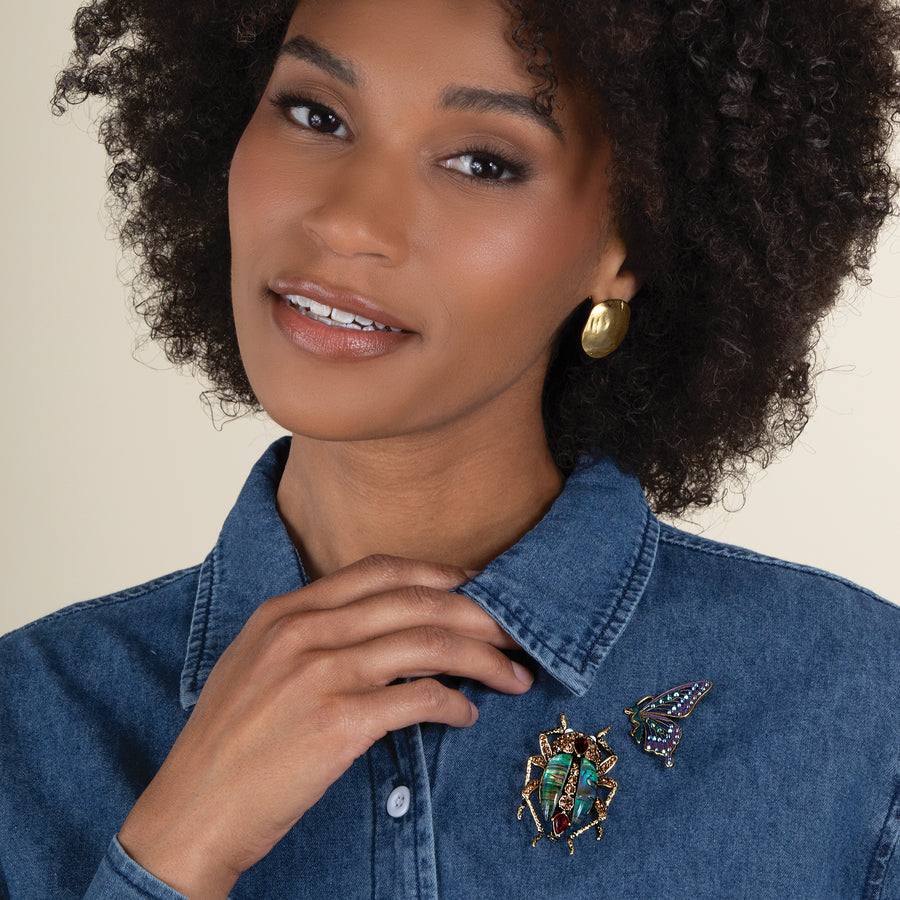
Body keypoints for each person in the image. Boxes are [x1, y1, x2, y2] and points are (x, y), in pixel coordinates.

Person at [1, 0, 899, 897]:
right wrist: (173, 849)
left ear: (624, 248)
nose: (349, 222)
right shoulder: (29, 724)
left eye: (482, 163)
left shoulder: (857, 715)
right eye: (316, 114)